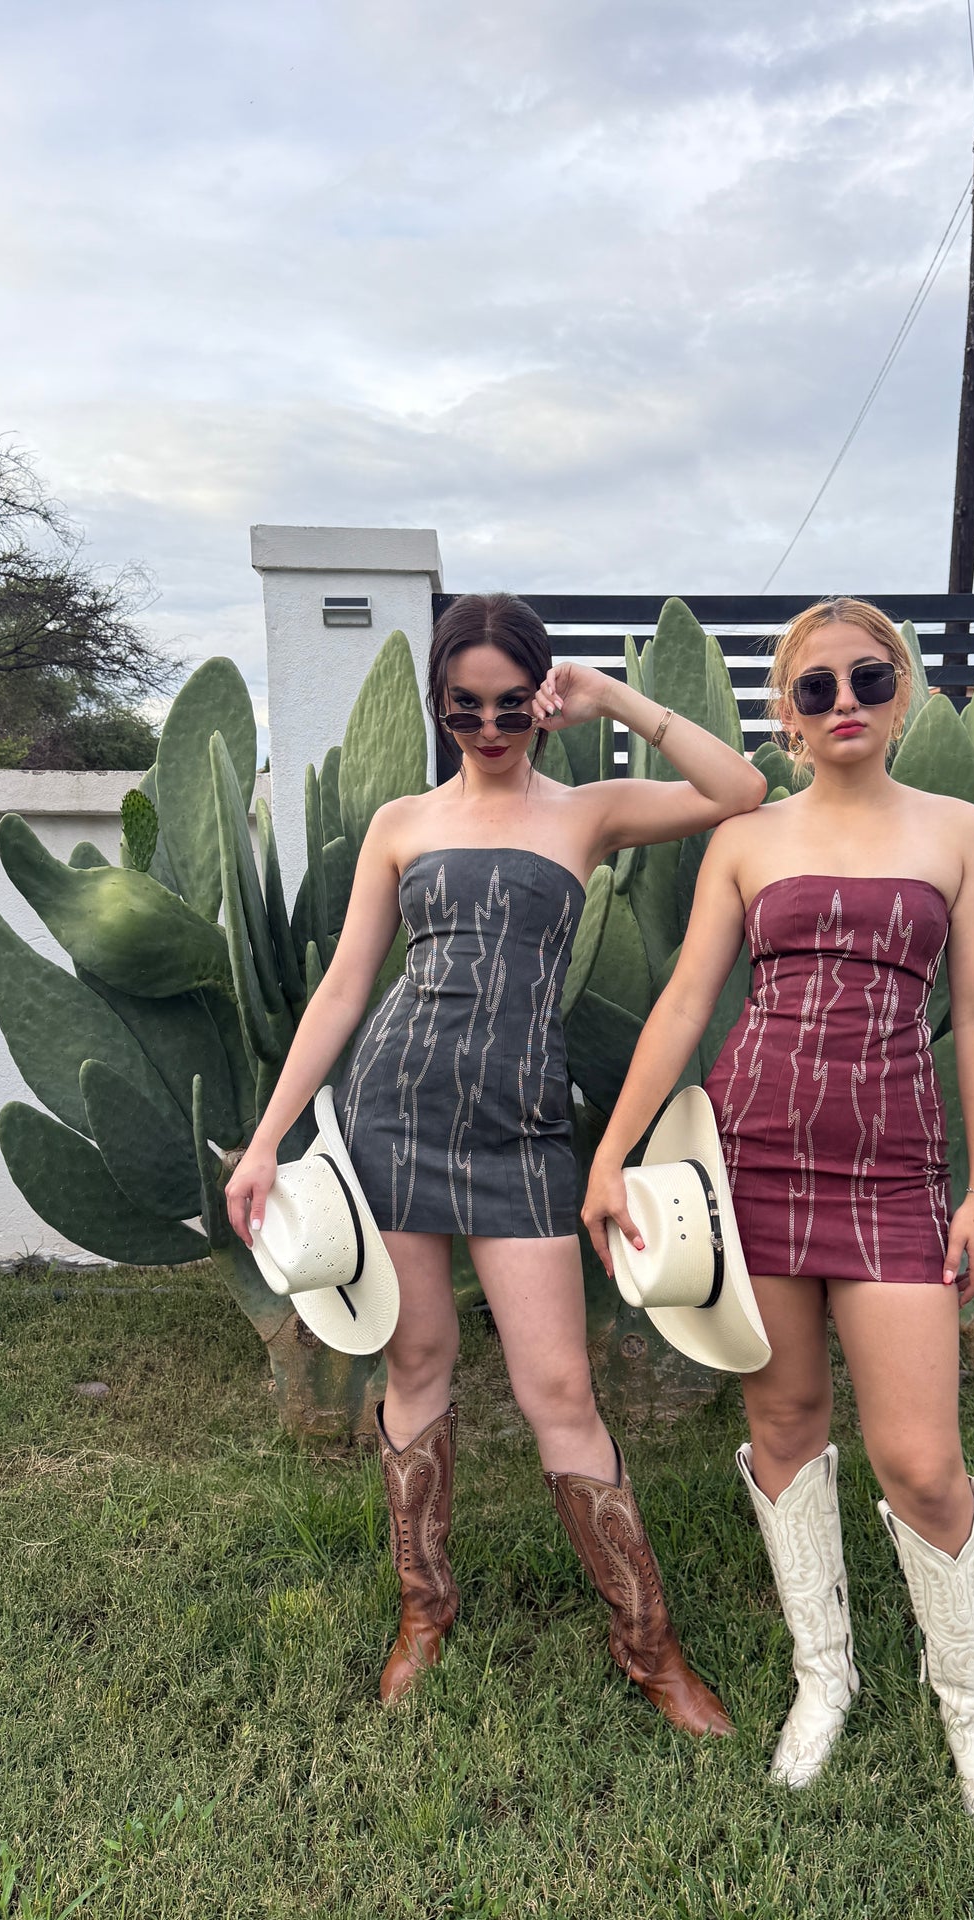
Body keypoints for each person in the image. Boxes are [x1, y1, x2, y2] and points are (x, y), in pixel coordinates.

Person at [225, 592, 766, 1735]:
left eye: (511, 704)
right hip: (395, 1111)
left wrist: (613, 697)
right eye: (464, 706)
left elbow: (739, 788)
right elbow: (344, 986)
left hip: (521, 1128)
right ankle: (425, 1610)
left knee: (558, 1389)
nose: (487, 726)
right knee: (417, 1361)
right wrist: (271, 1136)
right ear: (438, 704)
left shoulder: (586, 811)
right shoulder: (402, 822)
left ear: (541, 699)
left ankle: (649, 1645)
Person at [582, 596, 974, 1846]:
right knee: (783, 1420)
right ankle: (823, 1676)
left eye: (869, 678)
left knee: (922, 1461)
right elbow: (686, 1001)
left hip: (894, 1172)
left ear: (904, 692)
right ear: (787, 710)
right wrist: (613, 1151)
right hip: (755, 1161)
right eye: (817, 686)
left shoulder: (961, 831)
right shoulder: (747, 838)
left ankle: (971, 1711)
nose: (845, 703)